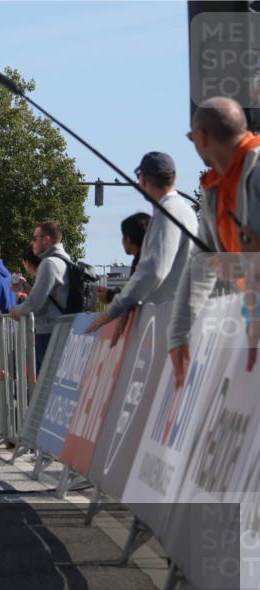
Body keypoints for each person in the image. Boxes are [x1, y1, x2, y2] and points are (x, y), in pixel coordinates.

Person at [170, 96, 260, 386]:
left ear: (202, 136)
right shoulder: (215, 190)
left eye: (191, 138)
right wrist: (179, 335)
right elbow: (201, 261)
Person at [88, 153, 192, 337]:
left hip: (168, 322)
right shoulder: (186, 210)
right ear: (173, 178)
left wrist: (116, 308)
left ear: (142, 179)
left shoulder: (166, 212)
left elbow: (154, 270)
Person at [0, 222, 70, 375]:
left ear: (46, 239)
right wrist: (28, 288)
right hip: (64, 327)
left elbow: (35, 303)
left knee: (45, 380)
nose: (32, 243)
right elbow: (50, 296)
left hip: (49, 331)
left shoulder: (49, 264)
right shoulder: (66, 260)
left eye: (35, 238)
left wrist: (15, 311)